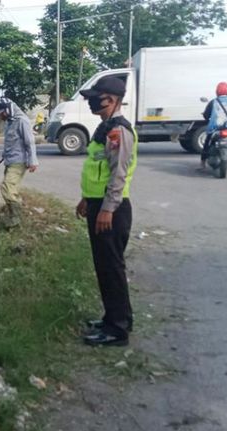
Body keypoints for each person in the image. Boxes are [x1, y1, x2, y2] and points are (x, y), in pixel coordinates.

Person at [76, 76, 138, 347]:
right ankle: (114, 317)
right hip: (98, 204)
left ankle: (117, 329)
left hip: (111, 210)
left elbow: (118, 174)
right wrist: (86, 199)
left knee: (111, 268)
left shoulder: (118, 131)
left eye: (96, 97)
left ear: (111, 100)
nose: (91, 102)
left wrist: (106, 209)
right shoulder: (106, 127)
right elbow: (98, 169)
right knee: (105, 267)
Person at [0, 97, 38, 227]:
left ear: (9, 109)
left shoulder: (22, 121)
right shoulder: (9, 122)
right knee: (11, 189)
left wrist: (33, 160)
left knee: (7, 188)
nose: (0, 115)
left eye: (2, 112)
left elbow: (29, 142)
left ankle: (16, 219)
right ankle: (12, 215)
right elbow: (10, 141)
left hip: (18, 161)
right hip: (9, 160)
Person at [199, 82, 227, 172]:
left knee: (207, 142)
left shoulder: (213, 101)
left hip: (215, 127)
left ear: (217, 91)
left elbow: (206, 115)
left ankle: (202, 163)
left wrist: (206, 116)